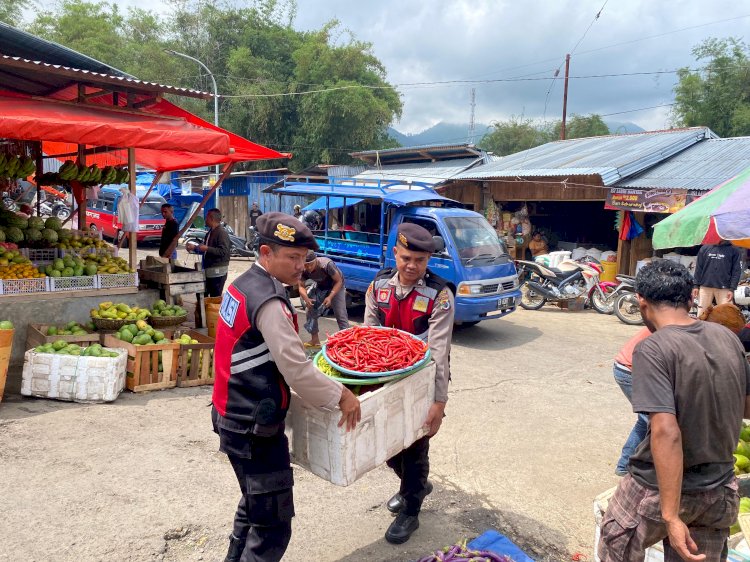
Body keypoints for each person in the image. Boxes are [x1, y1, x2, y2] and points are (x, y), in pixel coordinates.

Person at [212, 212, 361, 562]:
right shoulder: (270, 302)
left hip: (229, 412)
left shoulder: (241, 283)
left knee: (253, 505)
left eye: (304, 258)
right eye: (292, 258)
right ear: (266, 252)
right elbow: (296, 370)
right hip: (253, 425)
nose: (301, 266)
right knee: (272, 526)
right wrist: (342, 395)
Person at [598, 260, 750, 562]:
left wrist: (670, 514)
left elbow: (666, 432)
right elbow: (745, 406)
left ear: (641, 301)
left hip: (655, 489)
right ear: (691, 298)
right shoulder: (728, 339)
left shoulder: (654, 348)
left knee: (615, 547)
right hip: (719, 490)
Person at [364, 222, 454, 545]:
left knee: (415, 445)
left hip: (422, 382)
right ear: (395, 253)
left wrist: (439, 403)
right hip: (384, 380)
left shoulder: (439, 295)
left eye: (420, 260)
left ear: (429, 260)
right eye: (406, 258)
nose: (412, 266)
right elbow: (367, 339)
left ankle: (410, 510)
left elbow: (439, 354)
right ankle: (414, 484)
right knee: (387, 446)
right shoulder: (378, 287)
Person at [612, 327, 651, 477]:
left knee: (646, 420)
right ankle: (630, 467)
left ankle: (624, 465)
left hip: (626, 367)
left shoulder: (684, 322)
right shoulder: (685, 327)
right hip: (629, 370)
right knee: (653, 422)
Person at [298, 250, 349, 348]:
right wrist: (306, 299)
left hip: (336, 286)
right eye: (306, 265)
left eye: (310, 264)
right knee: (310, 310)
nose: (308, 267)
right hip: (321, 285)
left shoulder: (326, 265)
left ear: (316, 260)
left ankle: (347, 343)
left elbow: (339, 281)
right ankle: (315, 340)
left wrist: (330, 297)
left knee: (340, 314)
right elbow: (301, 286)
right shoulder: (303, 269)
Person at [187, 208, 231, 297]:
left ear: (211, 218)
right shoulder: (210, 232)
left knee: (215, 298)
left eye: (206, 217)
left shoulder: (221, 233)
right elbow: (206, 250)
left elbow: (223, 252)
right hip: (208, 271)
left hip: (218, 272)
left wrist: (207, 248)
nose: (205, 220)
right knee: (202, 295)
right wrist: (195, 248)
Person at [693, 239, 743, 314]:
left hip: (724, 288)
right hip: (705, 287)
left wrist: (732, 289)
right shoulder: (704, 248)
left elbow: (736, 271)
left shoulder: (734, 250)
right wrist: (696, 286)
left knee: (727, 314)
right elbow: (698, 268)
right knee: (701, 314)